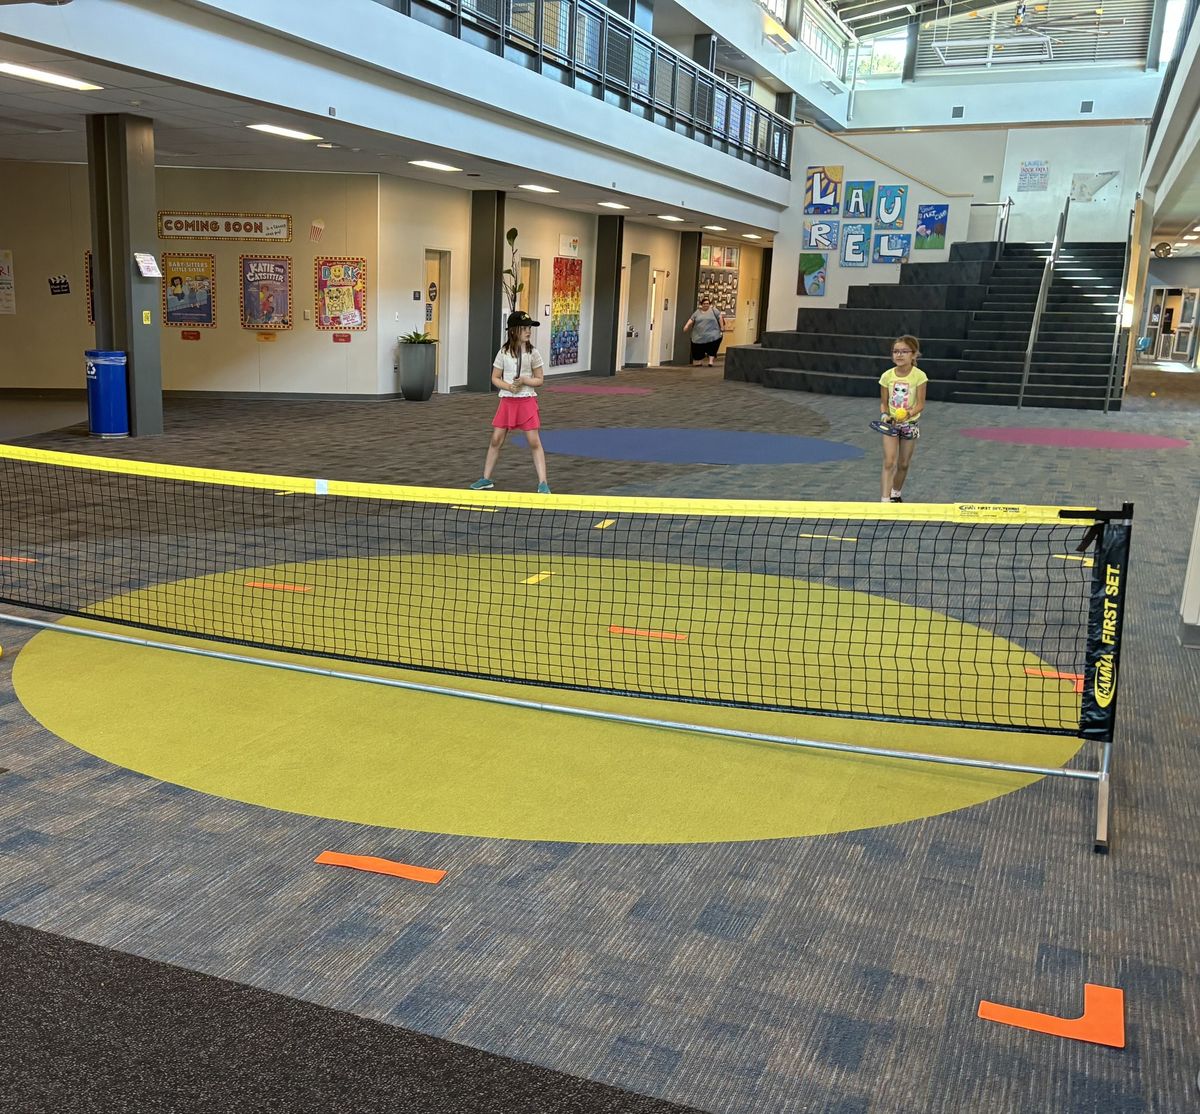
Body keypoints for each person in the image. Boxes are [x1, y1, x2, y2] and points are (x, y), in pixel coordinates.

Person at [469, 311, 551, 493]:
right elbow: (495, 378)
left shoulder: (533, 353)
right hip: (507, 401)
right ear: (514, 331)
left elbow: (539, 379)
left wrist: (524, 381)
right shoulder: (503, 353)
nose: (528, 331)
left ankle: (543, 482)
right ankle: (486, 478)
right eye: (524, 328)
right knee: (496, 439)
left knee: (534, 441)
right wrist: (508, 386)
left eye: (529, 328)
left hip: (527, 401)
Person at [878, 335, 927, 503]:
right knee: (889, 461)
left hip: (910, 424)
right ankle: (885, 501)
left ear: (913, 355)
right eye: (896, 351)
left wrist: (908, 414)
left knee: (903, 463)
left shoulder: (919, 376)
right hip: (890, 425)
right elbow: (883, 404)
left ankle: (895, 494)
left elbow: (920, 404)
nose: (899, 355)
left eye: (904, 351)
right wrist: (885, 416)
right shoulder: (886, 376)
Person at [683, 296, 726, 366]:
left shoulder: (714, 310)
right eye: (704, 303)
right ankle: (699, 361)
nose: (706, 305)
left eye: (707, 303)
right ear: (701, 304)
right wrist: (686, 326)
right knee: (698, 348)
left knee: (712, 347)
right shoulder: (697, 312)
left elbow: (720, 317)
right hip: (699, 335)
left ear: (709, 304)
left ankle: (710, 361)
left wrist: (722, 327)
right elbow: (691, 319)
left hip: (712, 334)